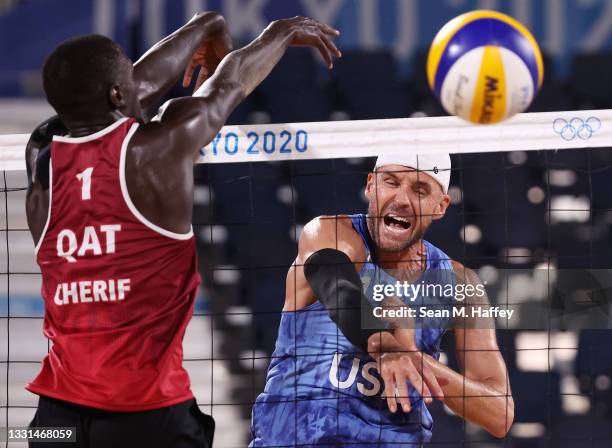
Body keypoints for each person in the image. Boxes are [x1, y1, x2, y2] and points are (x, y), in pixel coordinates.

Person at [25, 12, 341, 448]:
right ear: (118, 92)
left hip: (53, 425)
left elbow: (126, 92)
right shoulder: (156, 149)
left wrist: (204, 26)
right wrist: (277, 33)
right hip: (148, 418)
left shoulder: (41, 159)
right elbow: (227, 84)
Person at [251, 154, 515, 446]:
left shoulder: (460, 283)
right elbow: (335, 284)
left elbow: (500, 415)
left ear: (440, 206)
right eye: (391, 182)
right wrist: (383, 343)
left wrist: (415, 360)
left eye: (419, 190)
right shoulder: (330, 234)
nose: (401, 199)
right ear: (370, 185)